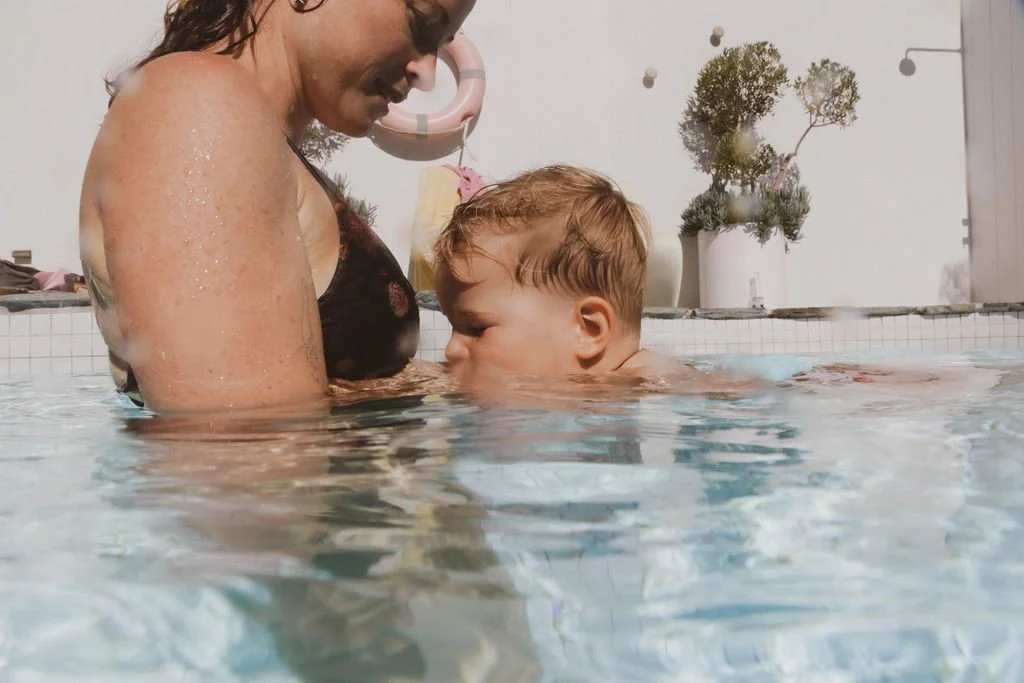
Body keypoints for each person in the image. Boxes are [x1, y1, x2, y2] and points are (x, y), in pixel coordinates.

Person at [78, 0, 476, 415]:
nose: (427, 74)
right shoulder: (196, 101)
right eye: (421, 24)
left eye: (443, 43)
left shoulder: (239, 124)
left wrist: (453, 381)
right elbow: (238, 437)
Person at [430, 164, 759, 394]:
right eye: (453, 327)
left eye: (476, 329)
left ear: (588, 330)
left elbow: (735, 392)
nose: (452, 350)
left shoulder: (646, 382)